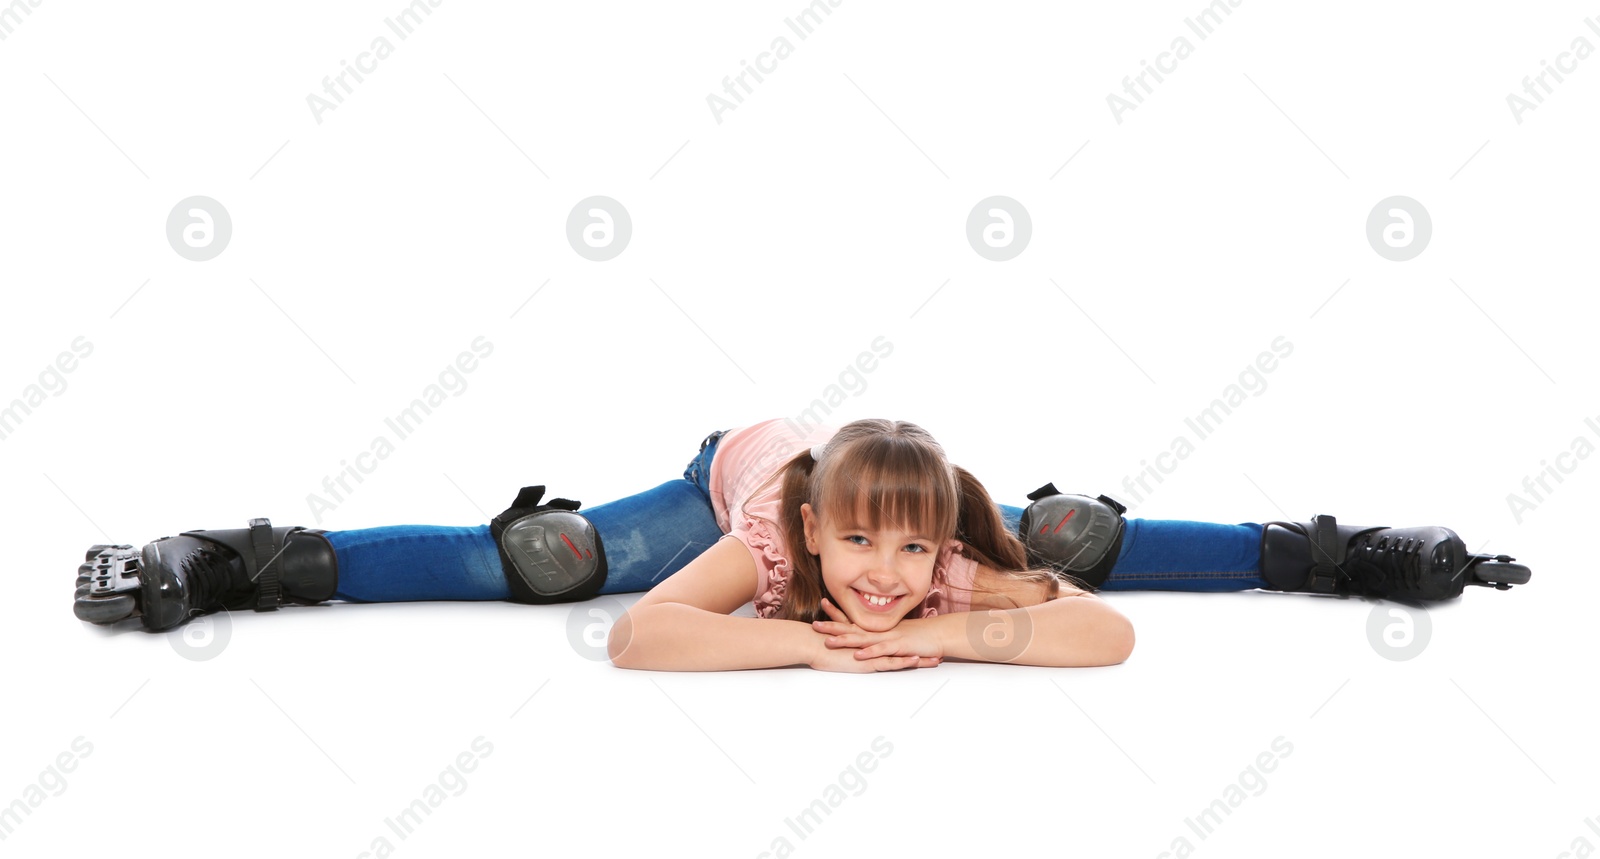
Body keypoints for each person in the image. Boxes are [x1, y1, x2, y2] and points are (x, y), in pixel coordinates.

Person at [72, 417, 1531, 671]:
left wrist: (956, 617)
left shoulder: (939, 548)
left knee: (1087, 538)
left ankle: (1339, 550)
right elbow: (641, 634)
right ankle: (229, 556)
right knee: (546, 565)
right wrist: (820, 653)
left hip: (899, 479)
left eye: (908, 560)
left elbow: (1104, 625)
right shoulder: (778, 540)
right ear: (820, 546)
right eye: (862, 563)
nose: (885, 585)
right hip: (735, 472)